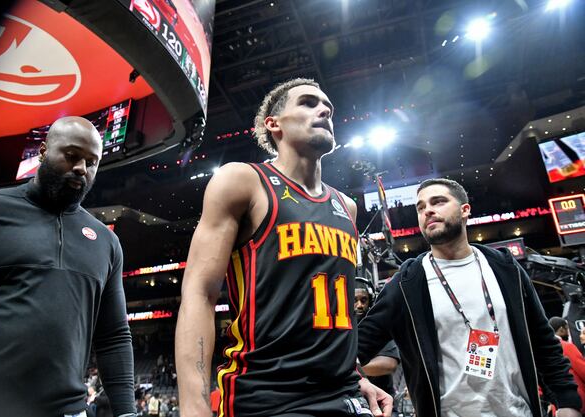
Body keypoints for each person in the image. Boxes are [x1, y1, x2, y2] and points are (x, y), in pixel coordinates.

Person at [175, 78, 392, 416]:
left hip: (345, 394)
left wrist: (357, 374)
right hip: (268, 396)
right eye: (307, 103)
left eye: (328, 108)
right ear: (273, 124)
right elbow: (199, 294)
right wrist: (193, 406)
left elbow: (335, 312)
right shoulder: (243, 181)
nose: (323, 110)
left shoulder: (346, 206)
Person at [358, 178, 581, 417]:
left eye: (438, 201)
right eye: (421, 207)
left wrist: (567, 401)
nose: (428, 211)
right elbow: (359, 343)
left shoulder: (504, 267)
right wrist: (357, 379)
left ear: (465, 210)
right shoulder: (408, 281)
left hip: (519, 412)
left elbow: (543, 340)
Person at [0, 116, 135, 417]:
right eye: (71, 156)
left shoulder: (106, 242)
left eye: (91, 162)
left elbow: (114, 336)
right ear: (43, 151)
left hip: (68, 411)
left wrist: (127, 412)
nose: (82, 167)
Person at [355, 278, 400, 416]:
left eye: (364, 300)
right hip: (355, 404)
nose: (359, 305)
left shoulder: (377, 325)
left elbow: (388, 364)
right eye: (354, 300)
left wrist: (348, 370)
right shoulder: (341, 328)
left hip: (381, 405)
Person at [549, 317, 585, 414]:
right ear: (561, 330)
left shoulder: (543, 350)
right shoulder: (565, 346)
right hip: (576, 402)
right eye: (567, 328)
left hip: (556, 406)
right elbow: (583, 370)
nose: (569, 332)